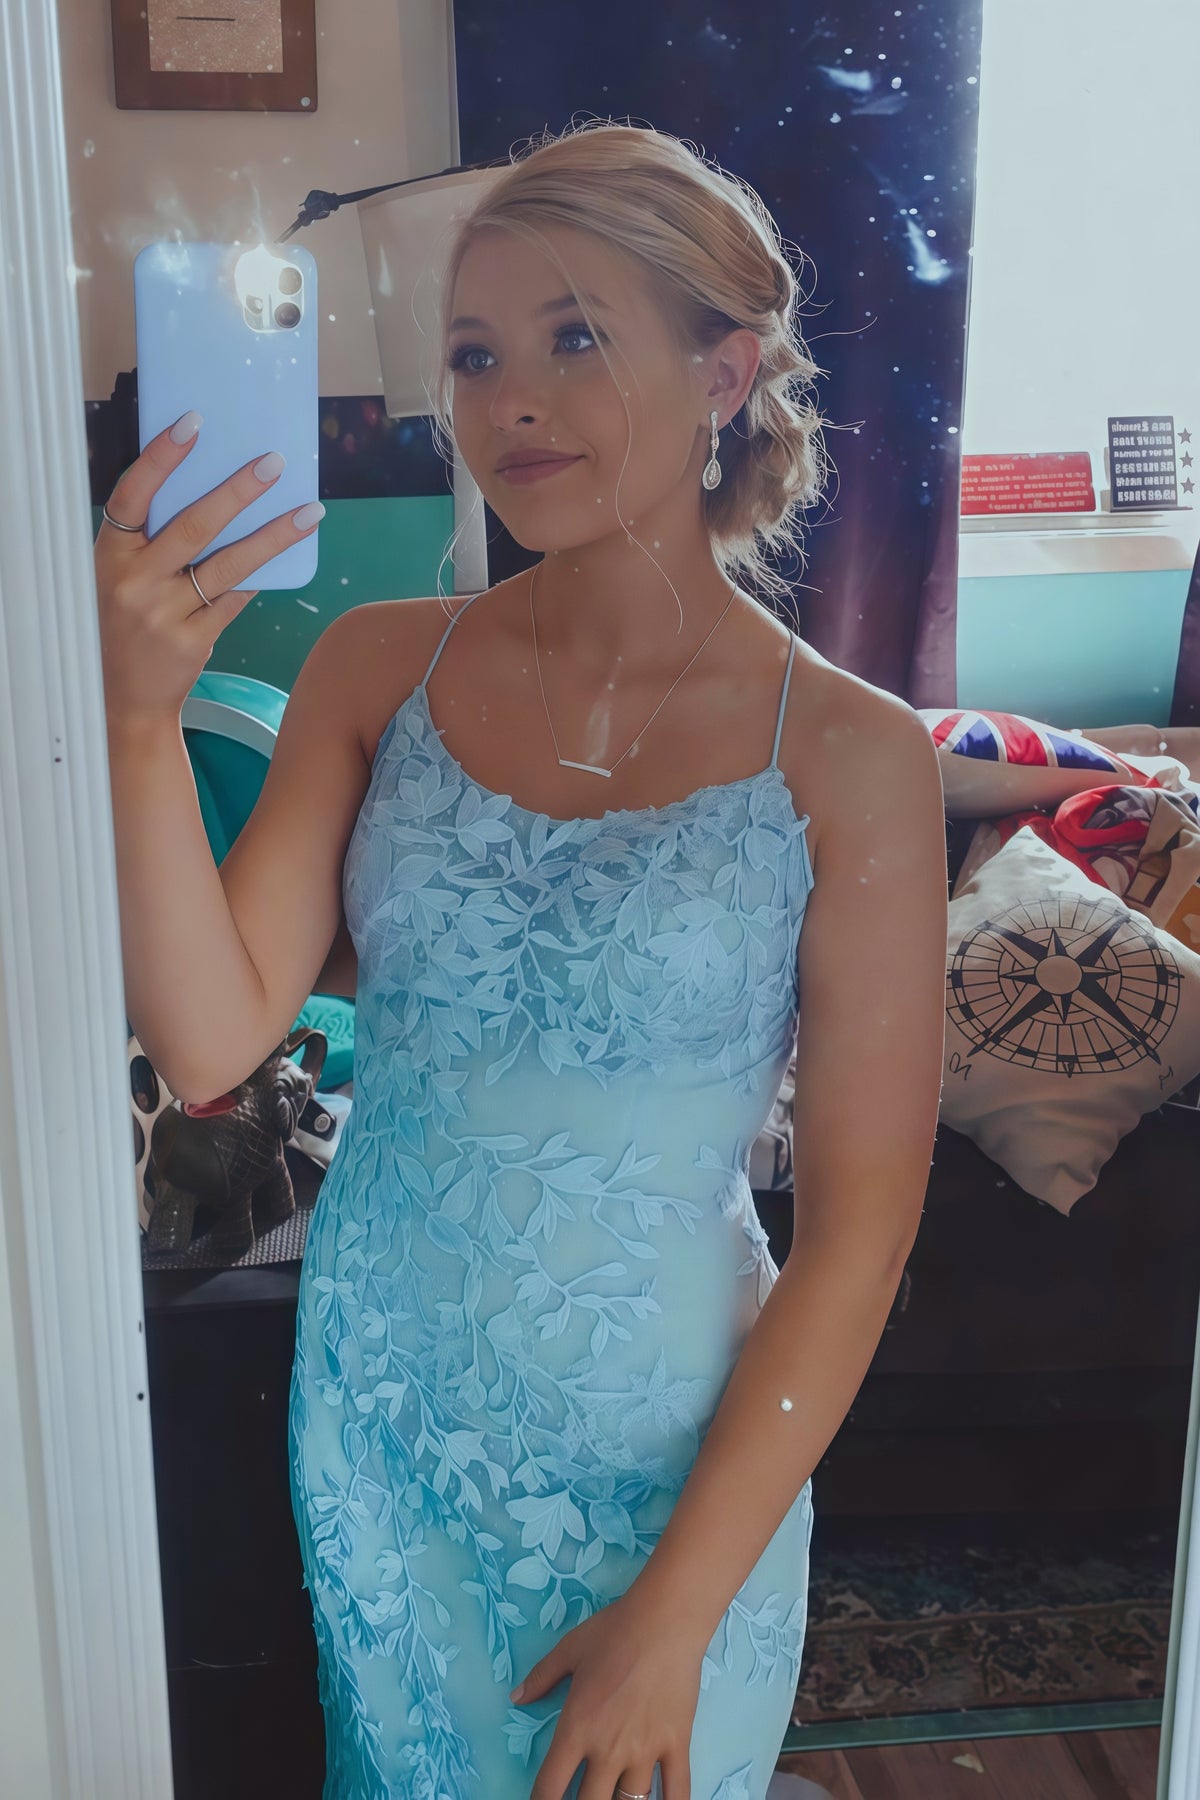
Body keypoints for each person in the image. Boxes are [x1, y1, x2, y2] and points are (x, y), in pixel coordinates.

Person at [97, 121, 947, 1800]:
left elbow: (860, 1234)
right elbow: (209, 1040)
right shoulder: (372, 670)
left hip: (676, 1464)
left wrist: (676, 1617)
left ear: (725, 375)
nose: (513, 404)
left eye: (574, 338)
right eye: (476, 355)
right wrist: (133, 721)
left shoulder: (855, 756)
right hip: (387, 1426)